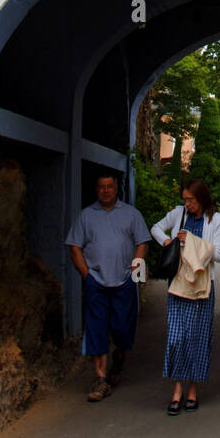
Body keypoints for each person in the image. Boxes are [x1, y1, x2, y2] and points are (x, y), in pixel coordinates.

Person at [65, 171, 151, 402]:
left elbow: (142, 242)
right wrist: (87, 275)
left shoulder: (131, 214)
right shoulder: (86, 216)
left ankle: (120, 355)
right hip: (97, 283)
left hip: (123, 281)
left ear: (116, 189)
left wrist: (135, 269)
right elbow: (74, 247)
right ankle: (101, 379)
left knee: (123, 327)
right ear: (97, 189)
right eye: (101, 186)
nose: (105, 190)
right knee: (97, 329)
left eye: (109, 186)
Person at [151, 177, 220, 415]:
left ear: (201, 198)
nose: (187, 204)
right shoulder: (178, 214)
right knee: (176, 337)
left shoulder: (216, 220)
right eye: (184, 200)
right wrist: (168, 241)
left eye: (190, 200)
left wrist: (191, 241)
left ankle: (192, 389)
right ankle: (176, 389)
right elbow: (155, 227)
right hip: (178, 284)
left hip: (203, 286)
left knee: (198, 337)